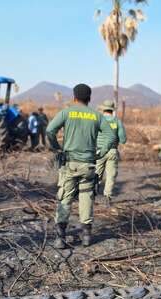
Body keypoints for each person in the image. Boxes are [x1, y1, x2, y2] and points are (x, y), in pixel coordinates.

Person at [46, 84, 104, 249]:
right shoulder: (96, 116)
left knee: (65, 197)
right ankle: (86, 236)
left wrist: (56, 146)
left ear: (74, 98)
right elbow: (110, 135)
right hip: (89, 165)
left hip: (69, 164)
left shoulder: (66, 112)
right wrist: (102, 151)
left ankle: (60, 238)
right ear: (89, 99)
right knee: (86, 196)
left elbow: (50, 130)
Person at [95, 100, 126, 206]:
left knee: (96, 174)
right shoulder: (117, 121)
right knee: (110, 176)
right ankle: (107, 198)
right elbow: (123, 140)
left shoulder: (97, 121)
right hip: (112, 151)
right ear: (112, 110)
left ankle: (92, 195)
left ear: (103, 109)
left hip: (99, 151)